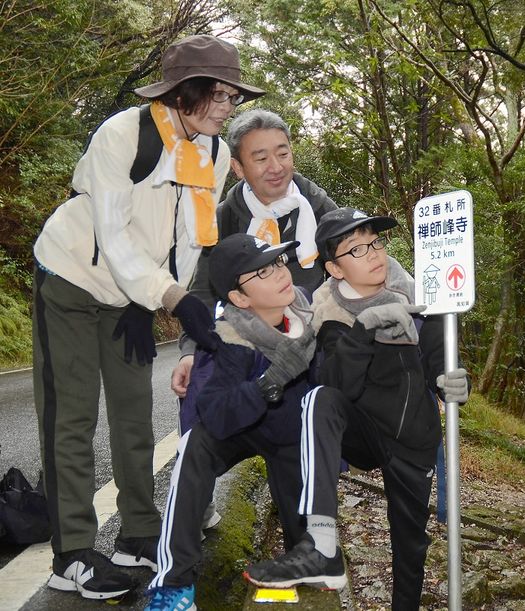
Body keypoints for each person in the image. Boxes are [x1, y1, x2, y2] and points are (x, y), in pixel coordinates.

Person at [32, 35, 263, 599]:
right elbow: (112, 236)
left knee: (135, 416)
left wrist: (165, 297)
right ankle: (74, 555)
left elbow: (190, 239)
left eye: (233, 94)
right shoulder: (121, 135)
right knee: (73, 417)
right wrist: (166, 296)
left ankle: (137, 533)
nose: (229, 105)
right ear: (187, 92)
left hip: (131, 295)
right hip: (71, 279)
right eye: (221, 93)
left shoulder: (208, 152)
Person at [243, 207, 469, 611]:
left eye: (375, 242)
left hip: (410, 435)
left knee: (410, 541)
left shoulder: (422, 299)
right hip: (361, 432)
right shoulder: (329, 312)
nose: (374, 253)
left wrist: (448, 381)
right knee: (319, 399)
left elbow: (438, 362)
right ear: (335, 268)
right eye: (357, 248)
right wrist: (365, 327)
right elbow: (338, 385)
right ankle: (321, 542)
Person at [145, 233, 324, 609]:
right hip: (241, 425)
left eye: (277, 263)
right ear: (240, 298)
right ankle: (174, 584)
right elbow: (216, 413)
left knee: (309, 544)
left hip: (290, 437)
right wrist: (268, 383)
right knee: (195, 446)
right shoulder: (229, 339)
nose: (279, 273)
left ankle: (301, 563)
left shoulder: (313, 315)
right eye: (261, 272)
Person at [171, 108, 336, 400]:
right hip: (246, 344)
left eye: (283, 154)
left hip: (312, 340)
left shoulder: (319, 208)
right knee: (203, 390)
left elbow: (359, 263)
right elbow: (202, 294)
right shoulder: (223, 220)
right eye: (260, 159)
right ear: (238, 167)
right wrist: (189, 351)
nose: (275, 167)